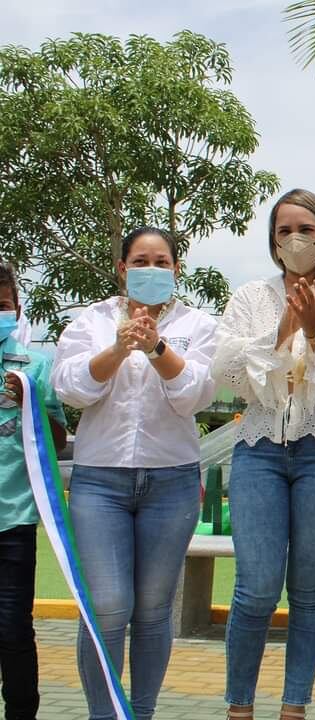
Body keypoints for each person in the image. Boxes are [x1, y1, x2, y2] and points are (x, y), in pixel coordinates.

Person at [212, 189, 315, 720]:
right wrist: (284, 329)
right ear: (273, 241)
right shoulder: (250, 297)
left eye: (306, 228)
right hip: (259, 450)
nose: (296, 240)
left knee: (309, 588)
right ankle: (239, 706)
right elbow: (229, 378)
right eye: (284, 231)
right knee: (255, 588)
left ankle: (294, 706)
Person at [50, 228, 218, 720]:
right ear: (122, 268)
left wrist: (158, 347)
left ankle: (139, 713)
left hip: (172, 481)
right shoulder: (92, 321)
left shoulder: (198, 324)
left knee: (151, 609)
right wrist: (120, 348)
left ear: (176, 269)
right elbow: (71, 388)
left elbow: (195, 396)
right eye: (140, 261)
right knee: (107, 605)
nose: (151, 270)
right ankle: (106, 714)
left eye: (161, 261)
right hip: (100, 481)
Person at [0, 260, 66, 720]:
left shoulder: (37, 366)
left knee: (12, 630)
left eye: (1, 305)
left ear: (17, 310)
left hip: (14, 520)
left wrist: (31, 408)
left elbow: (59, 440)